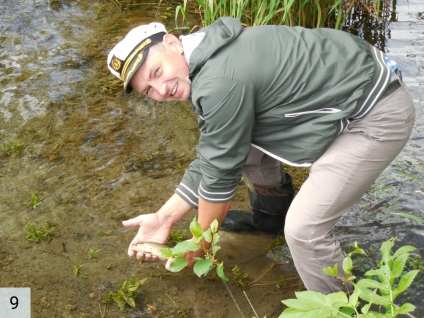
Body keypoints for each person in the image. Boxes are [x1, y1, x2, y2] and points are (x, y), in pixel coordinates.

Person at [107, 17, 415, 294]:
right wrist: (164, 217)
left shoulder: (218, 81)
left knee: (304, 230)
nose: (161, 90)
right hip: (364, 77)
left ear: (173, 42)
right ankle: (270, 221)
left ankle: (342, 307)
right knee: (240, 142)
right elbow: (217, 153)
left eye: (156, 72)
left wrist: (200, 246)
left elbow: (219, 181)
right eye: (149, 91)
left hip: (376, 113)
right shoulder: (209, 48)